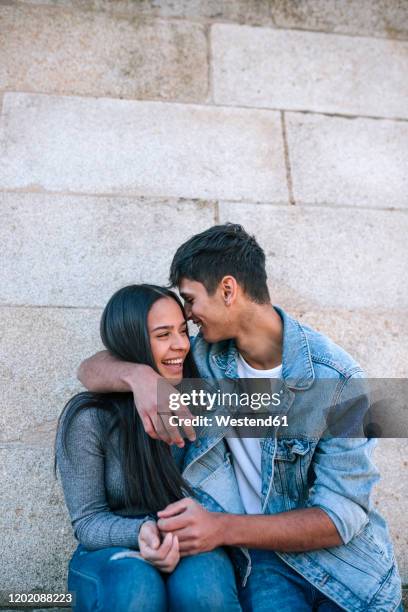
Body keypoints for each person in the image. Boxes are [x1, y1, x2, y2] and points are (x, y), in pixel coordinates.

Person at [78, 224, 403, 612]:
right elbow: (90, 369)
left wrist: (220, 528)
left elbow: (340, 516)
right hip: (263, 564)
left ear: (228, 290)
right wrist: (140, 378)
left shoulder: (338, 380)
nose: (189, 316)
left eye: (191, 300)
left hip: (347, 571)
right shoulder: (206, 358)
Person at [55, 283, 242, 612]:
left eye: (183, 331)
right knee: (135, 587)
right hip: (112, 548)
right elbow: (86, 522)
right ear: (132, 341)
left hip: (195, 540)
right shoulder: (89, 418)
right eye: (163, 334)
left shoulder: (204, 394)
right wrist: (142, 530)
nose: (180, 345)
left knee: (203, 592)